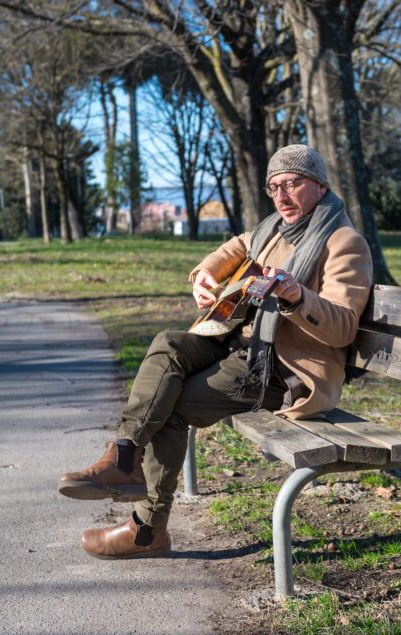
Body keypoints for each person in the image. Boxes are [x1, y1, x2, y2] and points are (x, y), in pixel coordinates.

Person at [56, 144, 373, 559]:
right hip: (237, 346)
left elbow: (345, 327)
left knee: (168, 405)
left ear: (319, 185)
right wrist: (205, 273)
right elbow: (235, 247)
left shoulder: (344, 242)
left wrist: (297, 297)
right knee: (169, 343)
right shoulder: (271, 230)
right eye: (274, 187)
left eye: (293, 184)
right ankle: (125, 454)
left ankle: (147, 530)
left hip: (281, 373)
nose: (282, 196)